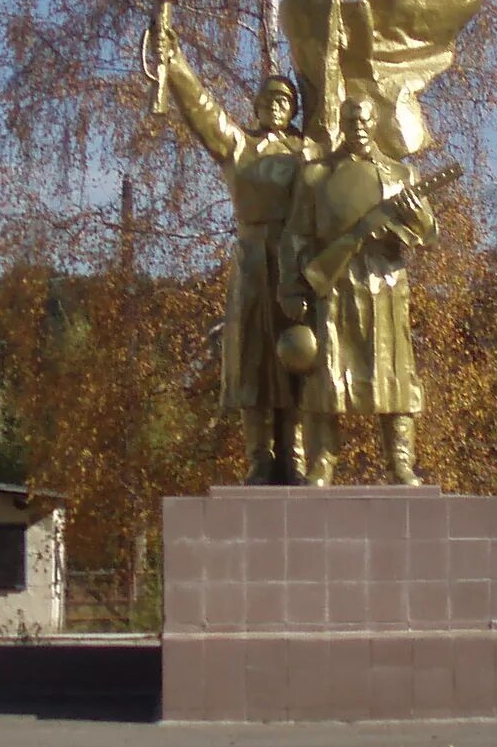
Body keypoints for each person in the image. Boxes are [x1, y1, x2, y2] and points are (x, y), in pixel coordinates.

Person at [157, 35, 315, 482]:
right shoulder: (239, 148)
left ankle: (295, 455)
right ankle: (260, 458)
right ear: (258, 107)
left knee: (297, 356)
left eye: (286, 101)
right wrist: (176, 62)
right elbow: (204, 111)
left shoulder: (307, 153)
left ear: (294, 110)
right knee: (252, 358)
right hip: (250, 262)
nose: (277, 107)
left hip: (294, 263)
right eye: (269, 100)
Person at [292, 95, 439, 485]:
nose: (357, 125)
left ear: (375, 123)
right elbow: (297, 235)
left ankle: (400, 461)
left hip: (385, 282)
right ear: (341, 122)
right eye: (350, 119)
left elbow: (429, 232)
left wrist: (413, 216)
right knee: (327, 373)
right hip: (335, 285)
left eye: (364, 119)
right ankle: (322, 461)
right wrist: (294, 286)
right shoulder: (317, 175)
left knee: (394, 374)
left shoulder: (400, 175)